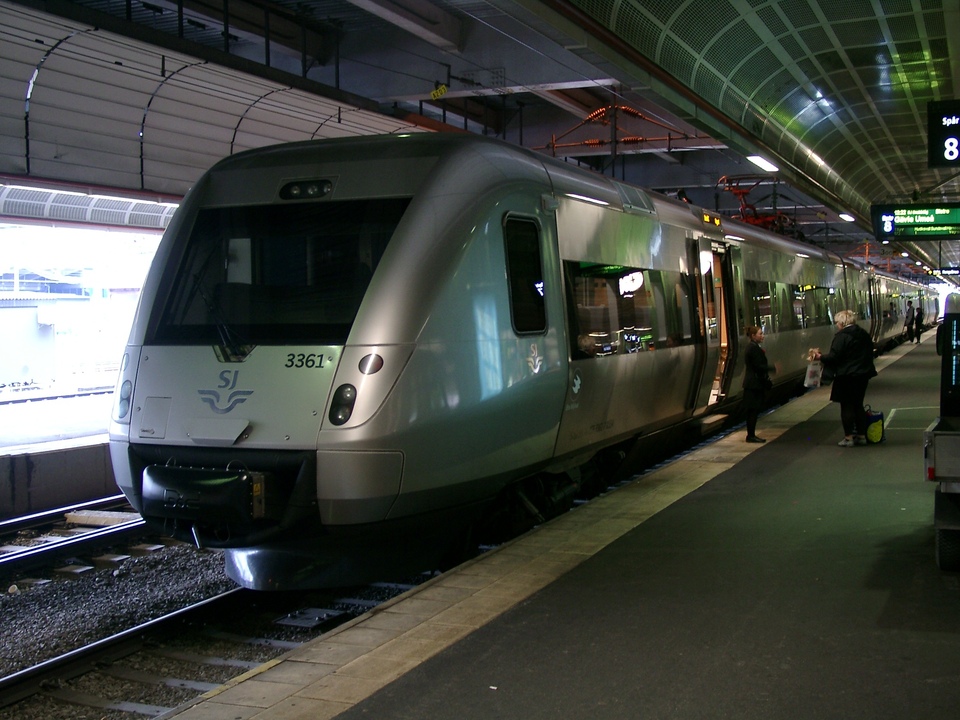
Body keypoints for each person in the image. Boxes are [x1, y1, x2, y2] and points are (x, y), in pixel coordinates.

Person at [813, 310, 877, 447]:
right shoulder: (863, 334)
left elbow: (834, 357)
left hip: (846, 376)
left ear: (842, 323)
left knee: (847, 406)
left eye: (837, 322)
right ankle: (861, 436)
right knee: (858, 405)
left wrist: (820, 357)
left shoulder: (842, 336)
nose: (837, 325)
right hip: (863, 375)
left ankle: (848, 438)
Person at [742, 325, 774, 443]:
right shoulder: (753, 348)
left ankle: (751, 434)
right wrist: (772, 368)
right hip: (753, 384)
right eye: (760, 334)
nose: (762, 336)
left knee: (753, 410)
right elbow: (758, 366)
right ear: (753, 336)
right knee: (753, 410)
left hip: (752, 383)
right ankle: (751, 435)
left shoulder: (752, 347)